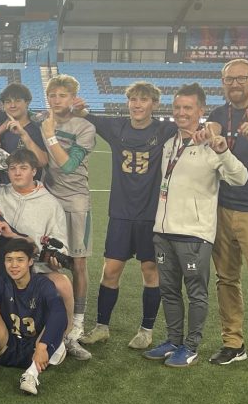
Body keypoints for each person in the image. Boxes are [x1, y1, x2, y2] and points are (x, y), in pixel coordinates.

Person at [143, 84, 247, 367]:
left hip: (194, 235)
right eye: (177, 107)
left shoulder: (210, 144)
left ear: (201, 110)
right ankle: (173, 340)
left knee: (195, 293)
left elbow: (240, 178)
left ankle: (190, 347)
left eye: (188, 108)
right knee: (168, 290)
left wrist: (223, 151)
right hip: (163, 232)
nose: (181, 113)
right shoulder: (170, 143)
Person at [72, 81, 177, 349]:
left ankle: (146, 330)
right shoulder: (116, 126)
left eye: (144, 100)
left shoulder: (164, 130)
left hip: (151, 215)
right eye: (133, 100)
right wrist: (79, 108)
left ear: (154, 104)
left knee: (150, 270)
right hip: (120, 213)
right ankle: (102, 327)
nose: (137, 105)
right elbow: (88, 117)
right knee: (111, 270)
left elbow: (190, 125)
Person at [0, 148, 91, 360]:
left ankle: (65, 337)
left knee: (63, 283)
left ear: (34, 171)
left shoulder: (50, 204)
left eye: (23, 168)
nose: (17, 173)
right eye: (12, 168)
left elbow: (60, 245)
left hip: (34, 267)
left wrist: (54, 257)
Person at [207, 58, 248, 372]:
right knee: (226, 279)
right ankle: (233, 343)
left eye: (241, 78)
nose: (235, 84)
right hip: (222, 208)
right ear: (223, 82)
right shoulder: (218, 115)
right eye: (229, 79)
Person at [0, 238, 68, 396]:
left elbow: (59, 314)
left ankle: (31, 374)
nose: (14, 265)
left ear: (30, 262)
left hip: (38, 350)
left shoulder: (43, 284)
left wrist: (43, 346)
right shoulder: (2, 282)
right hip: (8, 345)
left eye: (20, 260)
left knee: (58, 317)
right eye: (9, 260)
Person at [40, 74, 96, 342]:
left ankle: (79, 321)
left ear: (73, 98)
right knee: (48, 259)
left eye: (63, 95)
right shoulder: (43, 121)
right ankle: (53, 314)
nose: (57, 100)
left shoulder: (84, 127)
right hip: (49, 201)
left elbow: (68, 165)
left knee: (77, 263)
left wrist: (51, 136)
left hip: (75, 201)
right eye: (52, 95)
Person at [0, 83, 48, 183]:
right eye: (8, 102)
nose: (12, 105)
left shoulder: (37, 129)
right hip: (3, 187)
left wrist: (24, 135)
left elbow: (42, 162)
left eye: (17, 101)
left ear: (27, 102)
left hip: (27, 189)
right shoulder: (0, 125)